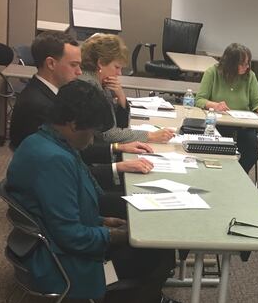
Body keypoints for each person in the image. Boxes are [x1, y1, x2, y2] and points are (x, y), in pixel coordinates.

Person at [6, 81, 176, 303]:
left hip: (52, 245)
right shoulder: (54, 160)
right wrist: (116, 235)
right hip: (58, 261)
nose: (93, 137)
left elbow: (68, 208)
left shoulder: (47, 142)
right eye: (92, 130)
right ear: (73, 123)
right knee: (157, 257)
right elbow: (70, 235)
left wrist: (104, 221)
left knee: (153, 250)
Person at [9, 31, 155, 190]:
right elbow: (68, 162)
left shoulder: (51, 94)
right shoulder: (39, 104)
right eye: (73, 65)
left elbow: (73, 150)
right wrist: (116, 165)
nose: (79, 72)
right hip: (53, 185)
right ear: (51, 64)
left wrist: (117, 148)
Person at [80, 33, 174, 144]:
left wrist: (121, 98)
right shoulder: (89, 87)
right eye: (116, 67)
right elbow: (107, 135)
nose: (119, 73)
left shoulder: (102, 82)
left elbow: (121, 126)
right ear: (100, 63)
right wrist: (150, 136)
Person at [195, 43, 258, 173]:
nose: (247, 67)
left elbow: (257, 102)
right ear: (230, 63)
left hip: (244, 124)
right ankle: (219, 175)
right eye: (243, 64)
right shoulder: (212, 72)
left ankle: (237, 175)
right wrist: (215, 105)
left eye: (248, 63)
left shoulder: (250, 76)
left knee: (252, 152)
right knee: (218, 151)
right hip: (218, 123)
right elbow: (199, 100)